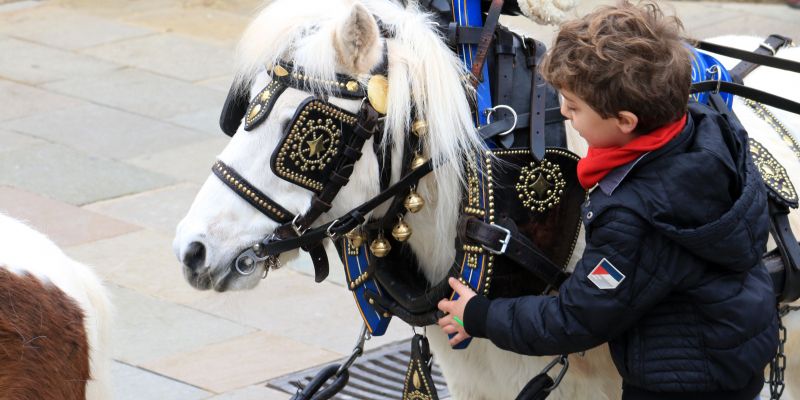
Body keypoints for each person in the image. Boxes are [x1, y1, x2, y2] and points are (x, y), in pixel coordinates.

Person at [437, 2, 779, 399]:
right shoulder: (706, 129)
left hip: (680, 381)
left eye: (574, 106)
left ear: (626, 122)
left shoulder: (635, 216)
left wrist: (480, 315)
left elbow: (577, 317)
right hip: (730, 349)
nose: (563, 112)